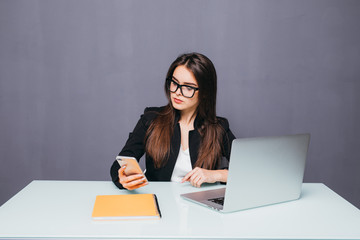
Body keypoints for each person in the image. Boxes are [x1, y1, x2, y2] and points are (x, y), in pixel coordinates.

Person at [110, 52, 235, 190]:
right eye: (174, 83)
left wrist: (216, 175)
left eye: (188, 87)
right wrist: (122, 177)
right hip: (158, 200)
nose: (177, 92)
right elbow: (120, 163)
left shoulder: (218, 128)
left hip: (199, 205)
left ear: (205, 93)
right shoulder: (151, 119)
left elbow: (248, 172)